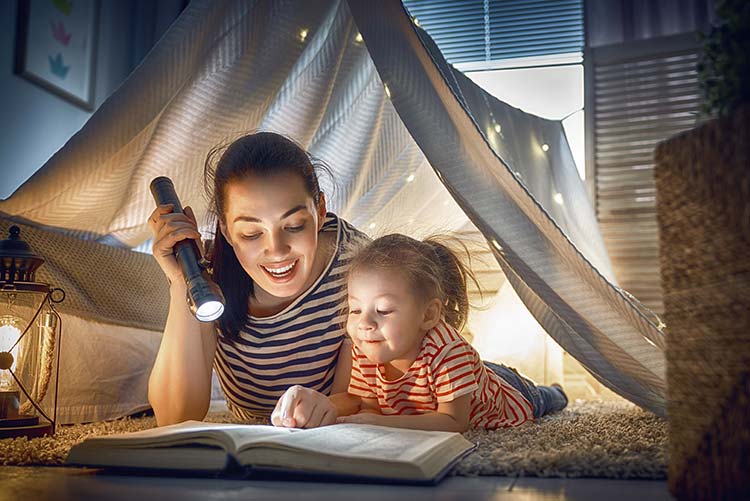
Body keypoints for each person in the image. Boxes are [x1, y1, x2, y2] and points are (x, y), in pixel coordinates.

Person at [147, 131, 368, 426]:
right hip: (251, 441)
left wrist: (329, 408)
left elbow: (362, 399)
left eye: (294, 225)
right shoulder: (210, 276)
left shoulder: (358, 265)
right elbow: (176, 417)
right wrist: (180, 282)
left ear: (320, 210)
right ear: (225, 230)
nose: (276, 251)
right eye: (251, 233)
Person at [273, 234, 567, 432]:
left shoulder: (450, 353)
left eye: (384, 310)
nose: (365, 323)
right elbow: (368, 404)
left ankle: (556, 390)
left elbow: (454, 422)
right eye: (355, 309)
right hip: (461, 379)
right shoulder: (367, 346)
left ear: (427, 315)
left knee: (545, 399)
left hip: (507, 389)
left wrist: (380, 424)